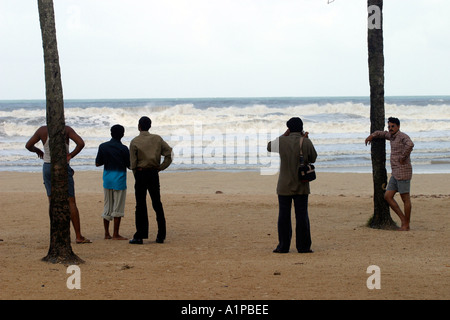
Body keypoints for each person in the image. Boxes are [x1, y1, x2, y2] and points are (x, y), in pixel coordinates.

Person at [25, 125, 91, 243]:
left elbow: (28, 145)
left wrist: (37, 150)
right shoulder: (66, 129)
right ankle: (78, 236)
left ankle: (56, 234)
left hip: (48, 166)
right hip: (62, 166)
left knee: (52, 201)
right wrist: (70, 155)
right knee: (71, 201)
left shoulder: (42, 130)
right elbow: (80, 143)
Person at [267, 117, 317, 253]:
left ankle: (283, 246)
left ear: (288, 128)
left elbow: (269, 146)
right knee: (302, 216)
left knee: (283, 216)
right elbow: (313, 158)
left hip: (284, 185)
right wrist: (304, 140)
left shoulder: (282, 141)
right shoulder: (306, 141)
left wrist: (284, 135)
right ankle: (303, 246)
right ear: (301, 128)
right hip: (302, 184)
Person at [128, 116, 173, 244]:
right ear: (150, 126)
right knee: (157, 203)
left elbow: (133, 163)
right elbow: (169, 153)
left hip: (141, 173)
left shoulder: (135, 141)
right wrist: (161, 167)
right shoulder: (157, 139)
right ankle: (161, 235)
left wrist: (137, 175)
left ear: (139, 126)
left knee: (140, 204)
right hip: (153, 173)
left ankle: (140, 235)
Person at [365, 117, 414, 231]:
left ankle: (406, 225)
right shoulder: (391, 136)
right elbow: (382, 134)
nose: (390, 128)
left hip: (403, 172)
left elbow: (410, 145)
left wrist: (403, 157)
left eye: (393, 126)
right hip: (395, 173)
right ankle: (403, 220)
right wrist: (371, 136)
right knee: (387, 196)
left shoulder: (402, 136)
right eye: (389, 126)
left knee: (405, 199)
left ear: (398, 127)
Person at [95, 124, 130, 240]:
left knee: (107, 206)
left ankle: (106, 233)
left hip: (107, 179)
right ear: (123, 135)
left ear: (111, 133)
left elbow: (97, 163)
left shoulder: (103, 147)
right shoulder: (124, 149)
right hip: (119, 179)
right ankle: (116, 233)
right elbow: (129, 165)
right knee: (118, 207)